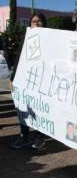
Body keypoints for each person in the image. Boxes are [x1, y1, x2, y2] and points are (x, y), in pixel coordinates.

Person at [10, 12, 48, 149]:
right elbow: (18, 58)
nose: (36, 24)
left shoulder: (50, 39)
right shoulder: (25, 38)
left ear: (44, 23)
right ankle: (24, 135)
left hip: (42, 81)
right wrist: (13, 78)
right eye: (34, 21)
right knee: (23, 105)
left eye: (39, 21)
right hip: (25, 80)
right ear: (30, 24)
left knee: (40, 109)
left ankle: (40, 137)